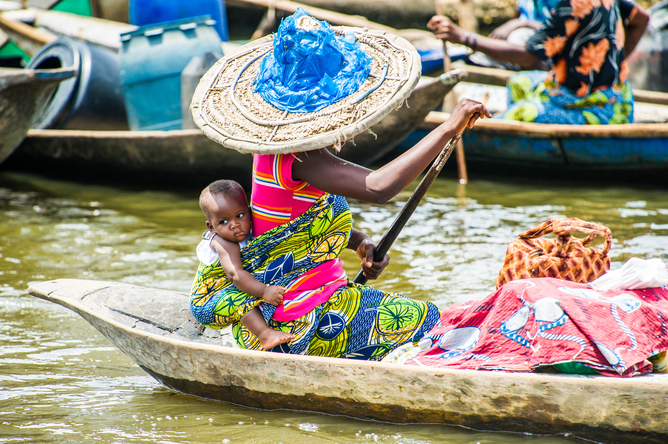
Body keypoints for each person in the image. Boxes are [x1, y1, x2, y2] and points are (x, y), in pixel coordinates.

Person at [190, 9, 490, 359]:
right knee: (440, 327)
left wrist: (360, 243)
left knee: (440, 325)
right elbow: (380, 188)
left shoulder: (281, 151)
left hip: (320, 296)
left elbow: (298, 222)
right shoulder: (300, 158)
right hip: (301, 321)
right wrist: (447, 127)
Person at [428, 0, 650, 124]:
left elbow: (528, 56)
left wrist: (465, 38)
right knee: (518, 82)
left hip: (598, 108)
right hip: (609, 93)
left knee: (513, 116)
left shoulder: (574, 5)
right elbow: (642, 19)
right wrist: (615, 59)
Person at [196, 179, 296, 350]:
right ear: (211, 227)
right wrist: (264, 291)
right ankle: (265, 334)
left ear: (250, 212)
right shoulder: (222, 242)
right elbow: (235, 275)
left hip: (225, 293)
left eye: (240, 216)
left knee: (243, 293)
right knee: (240, 297)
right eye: (223, 222)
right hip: (206, 302)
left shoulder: (245, 232)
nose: (234, 225)